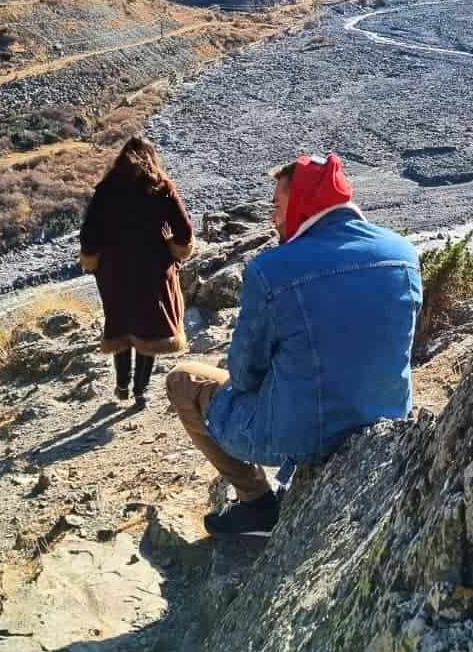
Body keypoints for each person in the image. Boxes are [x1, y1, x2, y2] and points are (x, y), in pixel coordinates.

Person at [166, 152, 422, 535]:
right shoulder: (404, 254)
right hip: (385, 421)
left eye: (277, 204)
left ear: (302, 202)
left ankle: (256, 503)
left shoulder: (272, 270)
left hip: (306, 436)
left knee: (184, 380)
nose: (273, 218)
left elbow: (244, 375)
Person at [80, 136, 195, 407]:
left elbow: (88, 235)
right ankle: (141, 391)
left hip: (114, 272)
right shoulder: (162, 188)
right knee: (150, 328)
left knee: (121, 324)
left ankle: (121, 386)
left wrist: (94, 260)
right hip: (153, 270)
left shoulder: (106, 190)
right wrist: (171, 247)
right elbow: (185, 232)